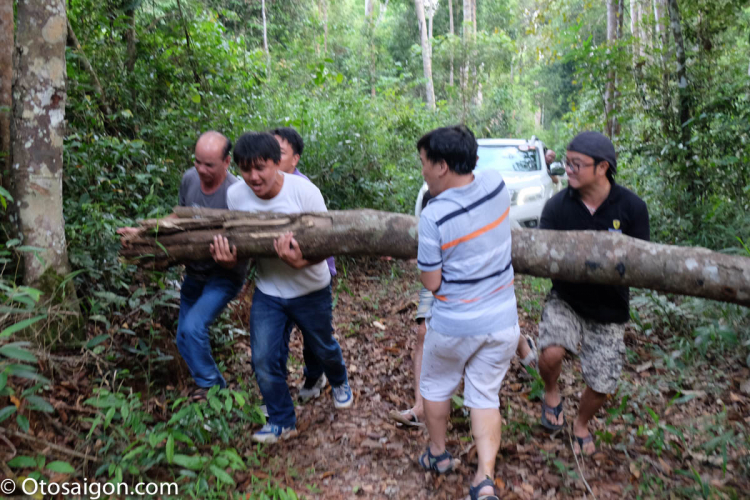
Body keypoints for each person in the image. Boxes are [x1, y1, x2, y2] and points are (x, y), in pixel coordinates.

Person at [218, 131, 352, 444]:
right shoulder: (236, 196)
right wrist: (228, 261)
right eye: (245, 169)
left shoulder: (304, 192)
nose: (253, 176)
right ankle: (281, 421)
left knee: (322, 345)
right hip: (270, 291)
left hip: (310, 288)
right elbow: (242, 245)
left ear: (277, 164)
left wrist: (301, 262)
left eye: (260, 168)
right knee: (263, 357)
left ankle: (339, 379)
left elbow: (327, 243)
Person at [415, 125, 519, 500]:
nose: (423, 171)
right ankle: (484, 478)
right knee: (485, 396)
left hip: (454, 324)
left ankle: (439, 454)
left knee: (436, 386)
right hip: (503, 322)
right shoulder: (495, 184)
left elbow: (430, 281)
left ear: (442, 166)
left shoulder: (434, 215)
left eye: (425, 163)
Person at [537, 131, 649, 456]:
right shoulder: (556, 207)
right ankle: (550, 391)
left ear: (602, 167)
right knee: (551, 352)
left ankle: (581, 423)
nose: (567, 169)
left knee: (602, 384)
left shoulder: (632, 207)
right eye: (566, 162)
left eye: (576, 164)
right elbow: (542, 256)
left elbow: (642, 263)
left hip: (610, 308)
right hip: (567, 299)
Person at [388, 185, 537, 430]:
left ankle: (522, 345)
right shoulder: (430, 201)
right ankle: (420, 407)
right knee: (424, 332)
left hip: (479, 280)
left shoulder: (483, 199)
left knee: (487, 323)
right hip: (439, 281)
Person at [117, 131, 247, 399]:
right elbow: (179, 215)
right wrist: (144, 232)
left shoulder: (237, 193)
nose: (200, 169)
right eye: (197, 161)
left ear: (227, 162)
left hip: (224, 276)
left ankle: (213, 388)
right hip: (194, 273)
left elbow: (249, 244)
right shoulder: (190, 178)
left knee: (192, 328)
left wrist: (234, 258)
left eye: (208, 164)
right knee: (183, 338)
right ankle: (206, 384)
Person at [271, 127, 334, 403]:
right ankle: (275, 386)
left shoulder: (304, 189)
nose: (271, 159)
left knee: (313, 333)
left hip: (312, 272)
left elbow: (322, 237)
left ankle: (314, 374)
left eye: (279, 154)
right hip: (276, 277)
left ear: (294, 159)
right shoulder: (258, 187)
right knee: (277, 334)